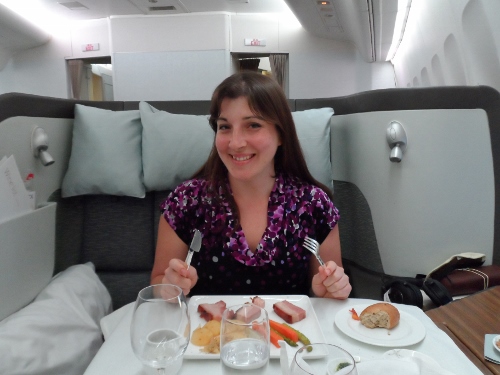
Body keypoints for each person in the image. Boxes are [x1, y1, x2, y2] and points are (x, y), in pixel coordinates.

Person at [151, 71, 351, 300]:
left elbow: (327, 292)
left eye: (253, 125)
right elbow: (158, 282)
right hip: (207, 333)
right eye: (225, 127)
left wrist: (329, 289)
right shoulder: (186, 200)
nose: (235, 143)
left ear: (281, 134)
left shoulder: (314, 204)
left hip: (287, 334)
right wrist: (168, 287)